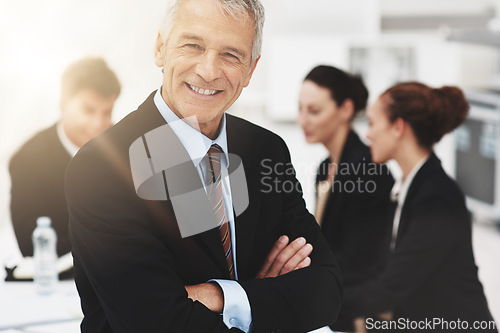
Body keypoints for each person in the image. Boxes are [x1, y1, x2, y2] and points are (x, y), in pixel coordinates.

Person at [65, 0, 342, 332]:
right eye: (192, 45)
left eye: (230, 55)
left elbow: (326, 292)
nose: (209, 70)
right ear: (160, 49)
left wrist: (220, 296)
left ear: (251, 70)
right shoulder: (103, 168)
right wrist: (264, 297)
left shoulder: (266, 150)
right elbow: (156, 323)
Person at [343, 82, 497, 332]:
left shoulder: (437, 197)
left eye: (372, 123)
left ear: (398, 127)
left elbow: (390, 289)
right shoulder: (410, 187)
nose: (367, 134)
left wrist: (315, 300)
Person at [298, 65, 394, 331]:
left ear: (346, 110)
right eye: (300, 109)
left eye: (314, 111)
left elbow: (363, 263)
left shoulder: (370, 172)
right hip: (335, 302)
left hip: (361, 313)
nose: (302, 120)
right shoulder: (324, 168)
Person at [9, 57, 120, 264]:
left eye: (107, 112)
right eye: (88, 110)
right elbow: (30, 244)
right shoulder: (26, 160)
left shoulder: (122, 149)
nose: (99, 124)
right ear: (63, 103)